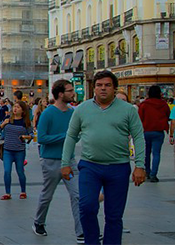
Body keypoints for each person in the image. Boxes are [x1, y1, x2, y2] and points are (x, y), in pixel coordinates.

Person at [61, 70, 146, 245]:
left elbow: (138, 136)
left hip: (119, 168)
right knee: (86, 206)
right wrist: (65, 163)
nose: (103, 89)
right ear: (94, 88)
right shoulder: (82, 109)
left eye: (107, 85)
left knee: (114, 215)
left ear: (114, 88)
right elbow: (71, 136)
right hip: (90, 166)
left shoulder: (128, 110)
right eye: (99, 85)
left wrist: (140, 165)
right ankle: (91, 241)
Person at [33, 80, 83, 242]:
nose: (72, 93)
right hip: (50, 160)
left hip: (69, 160)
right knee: (47, 194)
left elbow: (75, 134)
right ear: (60, 94)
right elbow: (42, 138)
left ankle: (81, 231)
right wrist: (66, 136)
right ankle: (38, 222)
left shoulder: (72, 113)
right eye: (69, 91)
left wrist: (75, 137)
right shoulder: (48, 113)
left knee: (77, 195)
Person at [0, 101, 33, 200]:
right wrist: (2, 125)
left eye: (18, 107)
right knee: (7, 171)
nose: (15, 109)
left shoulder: (25, 122)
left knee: (20, 171)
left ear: (23, 110)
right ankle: (7, 193)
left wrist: (25, 136)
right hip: (7, 150)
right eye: (14, 107)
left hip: (19, 150)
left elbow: (32, 135)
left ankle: (23, 191)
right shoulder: (8, 120)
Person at [138, 85, 170, 182]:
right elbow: (168, 115)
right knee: (156, 153)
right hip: (158, 132)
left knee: (146, 153)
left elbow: (139, 118)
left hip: (146, 131)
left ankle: (147, 171)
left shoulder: (144, 104)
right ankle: (153, 174)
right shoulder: (163, 104)